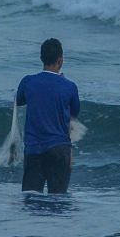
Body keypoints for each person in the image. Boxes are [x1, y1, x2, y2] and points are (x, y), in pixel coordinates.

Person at [15, 37, 80, 194]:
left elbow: (19, 100)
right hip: (59, 150)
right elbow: (75, 112)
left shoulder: (28, 82)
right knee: (58, 201)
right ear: (60, 60)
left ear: (41, 58)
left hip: (34, 149)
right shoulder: (70, 87)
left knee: (31, 199)